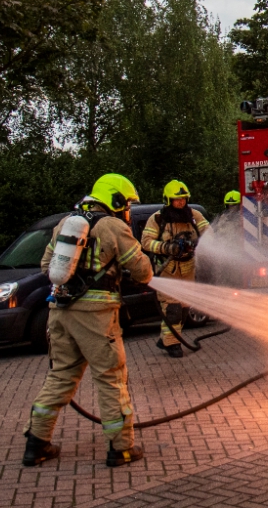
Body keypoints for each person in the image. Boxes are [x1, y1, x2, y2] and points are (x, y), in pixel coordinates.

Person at [23, 173, 151, 468]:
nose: (128, 209)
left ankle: (36, 444)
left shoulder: (63, 225)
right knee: (110, 378)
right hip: (96, 316)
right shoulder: (112, 226)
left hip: (60, 311)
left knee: (60, 375)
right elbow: (142, 270)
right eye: (127, 203)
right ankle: (121, 449)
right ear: (116, 200)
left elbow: (47, 266)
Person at [141, 180, 210, 357]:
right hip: (167, 270)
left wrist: (199, 243)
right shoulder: (157, 219)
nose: (180, 203)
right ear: (168, 200)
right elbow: (146, 242)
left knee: (185, 307)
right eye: (176, 200)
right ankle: (172, 344)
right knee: (172, 309)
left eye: (183, 199)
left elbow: (208, 233)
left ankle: (166, 338)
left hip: (188, 269)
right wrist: (167, 248)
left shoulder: (194, 216)